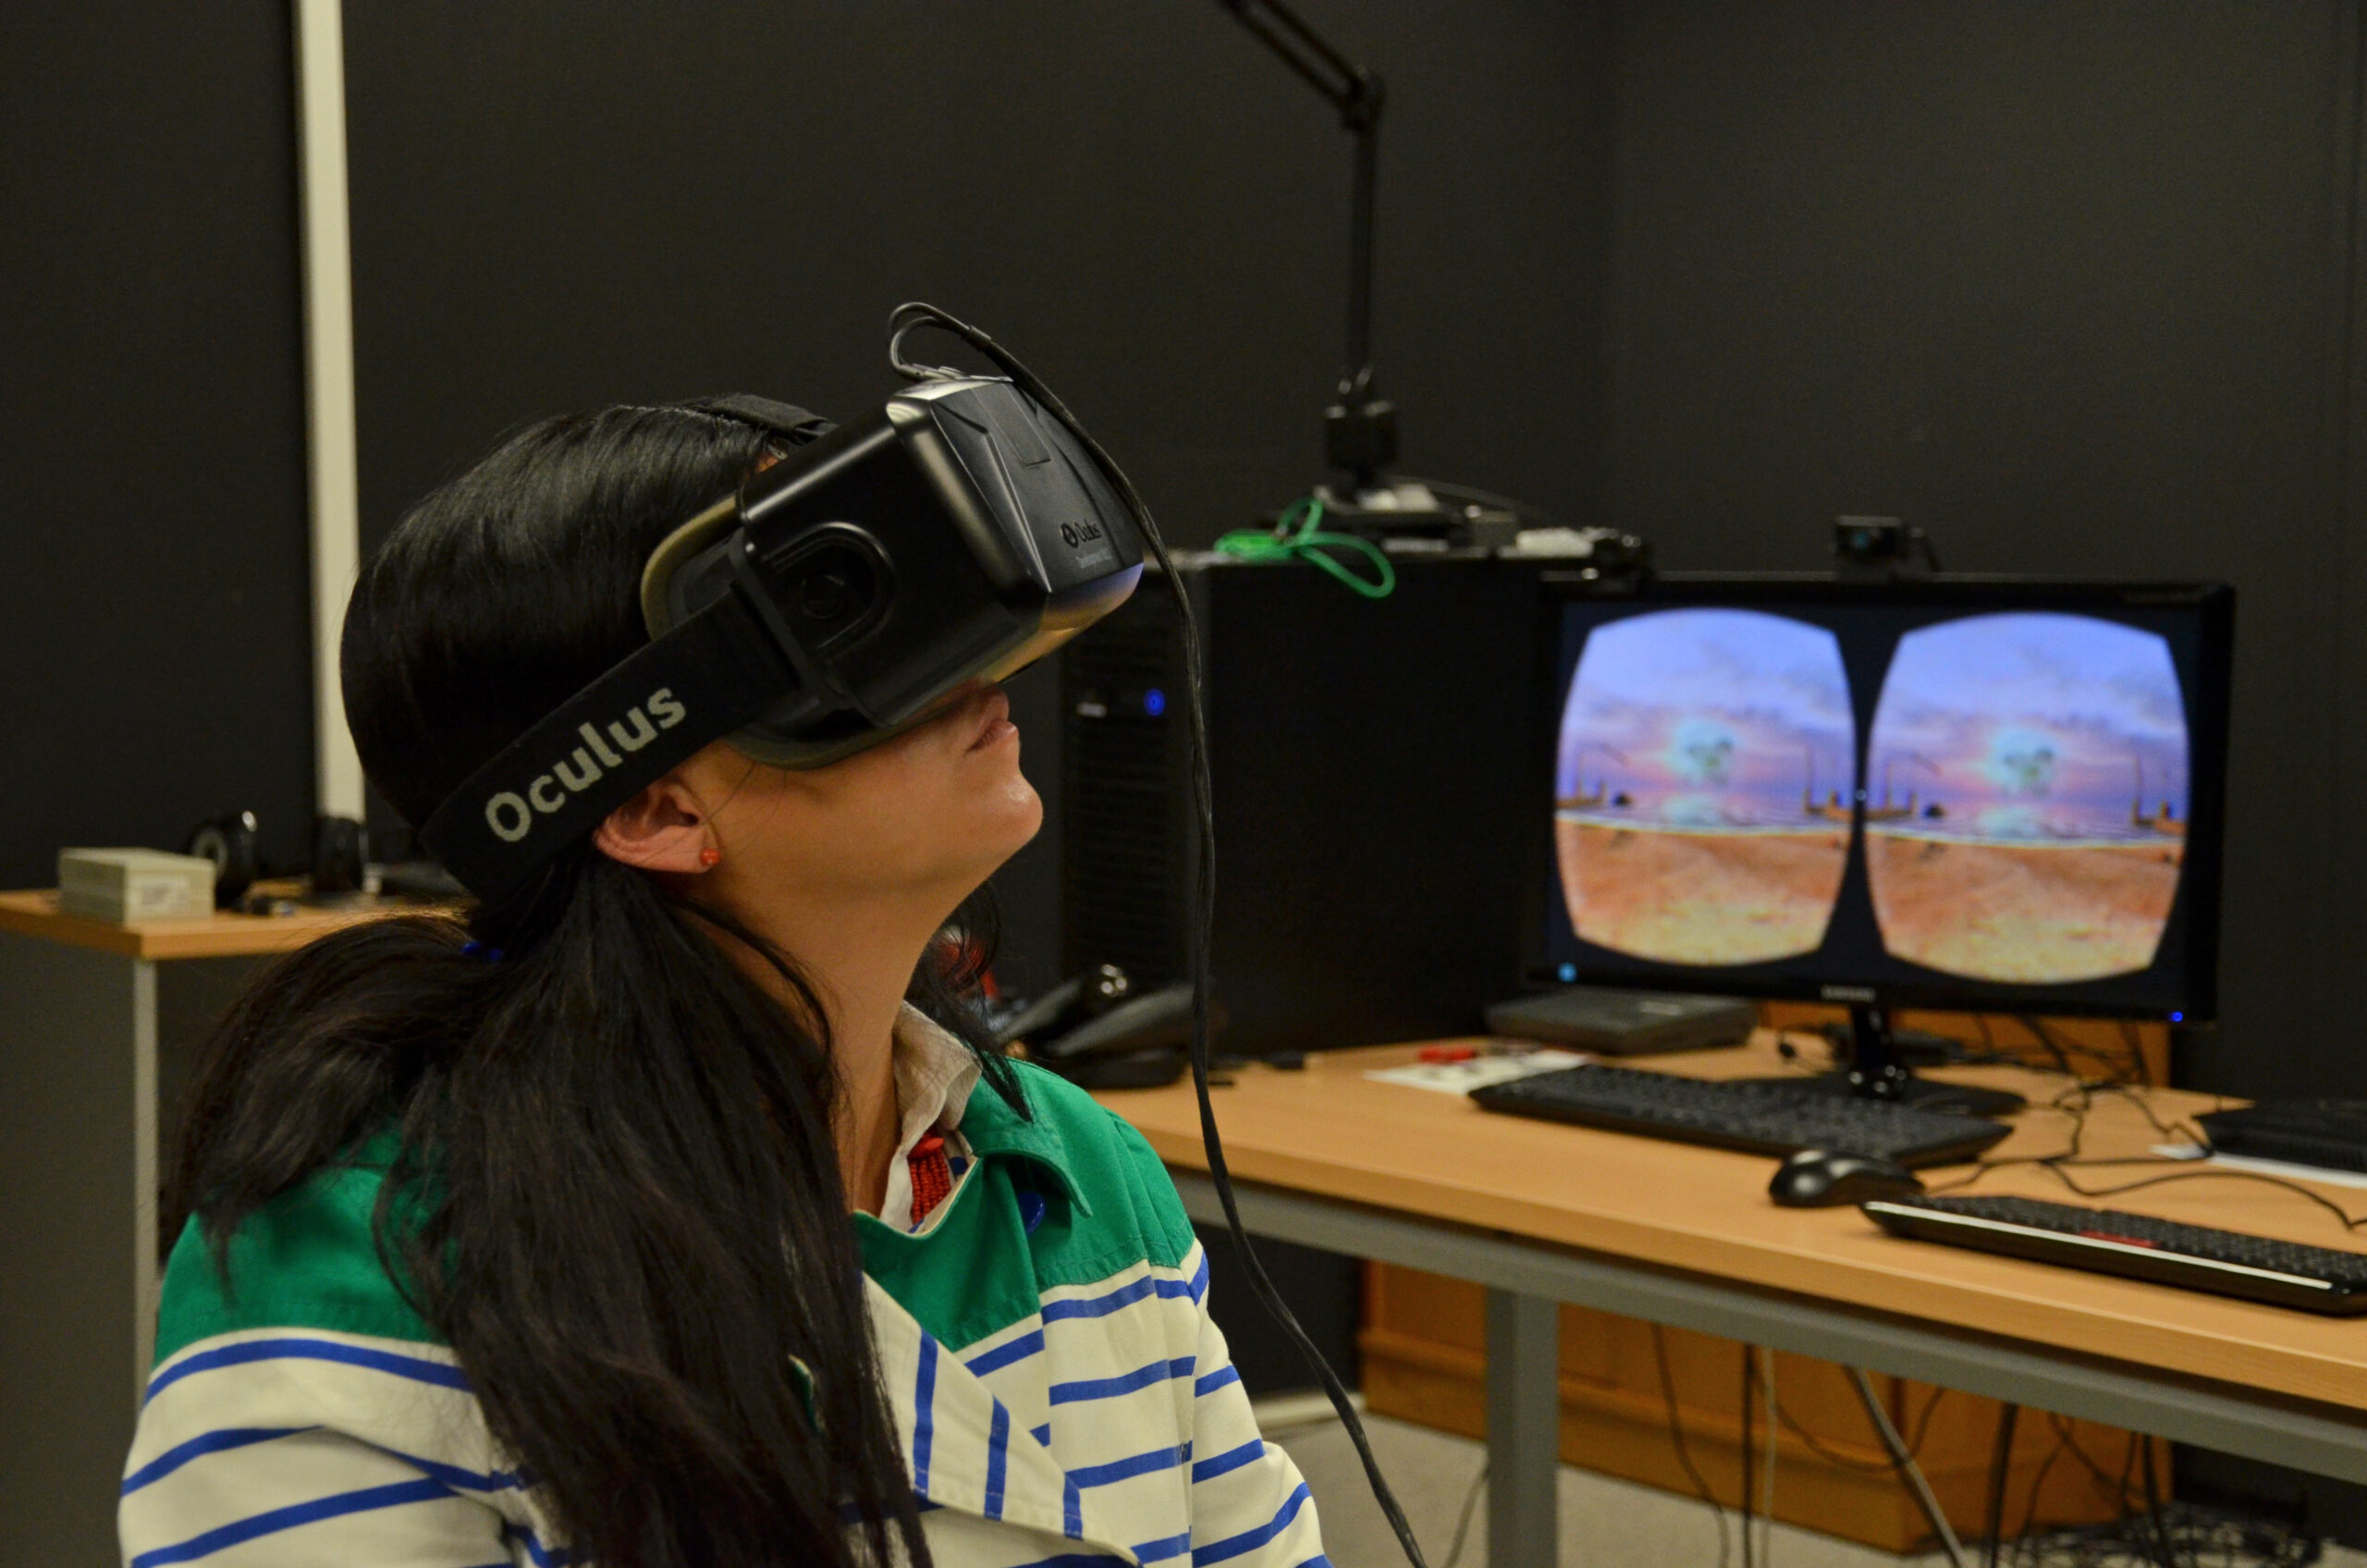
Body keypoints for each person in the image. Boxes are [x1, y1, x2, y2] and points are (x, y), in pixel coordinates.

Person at [119, 404, 1327, 1568]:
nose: (967, 651)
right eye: (836, 618)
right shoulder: (366, 1271)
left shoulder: (1075, 1177)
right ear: (654, 807)